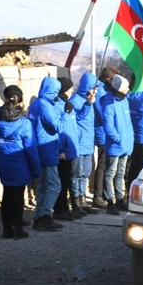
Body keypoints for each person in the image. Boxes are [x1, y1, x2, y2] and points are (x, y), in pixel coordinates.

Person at [0, 85, 40, 239]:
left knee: (7, 195)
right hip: (20, 164)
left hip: (4, 164)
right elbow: (31, 149)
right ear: (21, 102)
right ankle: (18, 228)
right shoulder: (24, 123)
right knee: (18, 197)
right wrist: (36, 170)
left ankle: (7, 229)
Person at [28, 76, 64, 231]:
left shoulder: (36, 104)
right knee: (55, 185)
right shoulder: (46, 106)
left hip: (38, 148)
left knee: (43, 185)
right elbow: (58, 126)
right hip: (47, 149)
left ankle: (38, 217)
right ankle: (44, 216)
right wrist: (64, 113)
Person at [101, 74, 134, 216]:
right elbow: (108, 126)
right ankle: (110, 200)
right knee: (110, 173)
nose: (128, 90)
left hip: (126, 144)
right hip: (116, 145)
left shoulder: (124, 100)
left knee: (121, 173)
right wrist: (118, 139)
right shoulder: (109, 103)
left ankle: (120, 198)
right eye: (126, 88)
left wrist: (128, 139)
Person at [68, 72, 98, 215]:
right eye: (94, 87)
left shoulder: (89, 99)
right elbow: (78, 118)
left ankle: (83, 199)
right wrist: (87, 105)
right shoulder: (76, 100)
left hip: (87, 143)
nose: (96, 90)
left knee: (85, 173)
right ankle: (75, 202)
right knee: (76, 173)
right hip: (78, 144)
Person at [92, 67, 120, 212]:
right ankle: (98, 196)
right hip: (102, 133)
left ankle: (102, 193)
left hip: (104, 132)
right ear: (109, 79)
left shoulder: (104, 91)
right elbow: (102, 114)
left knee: (106, 164)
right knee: (103, 165)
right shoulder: (101, 92)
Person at [54, 77, 80, 222]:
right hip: (63, 150)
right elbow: (59, 130)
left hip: (70, 148)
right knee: (61, 181)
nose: (71, 90)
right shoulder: (58, 106)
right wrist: (60, 150)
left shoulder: (67, 104)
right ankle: (59, 209)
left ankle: (65, 208)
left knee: (67, 180)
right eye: (69, 88)